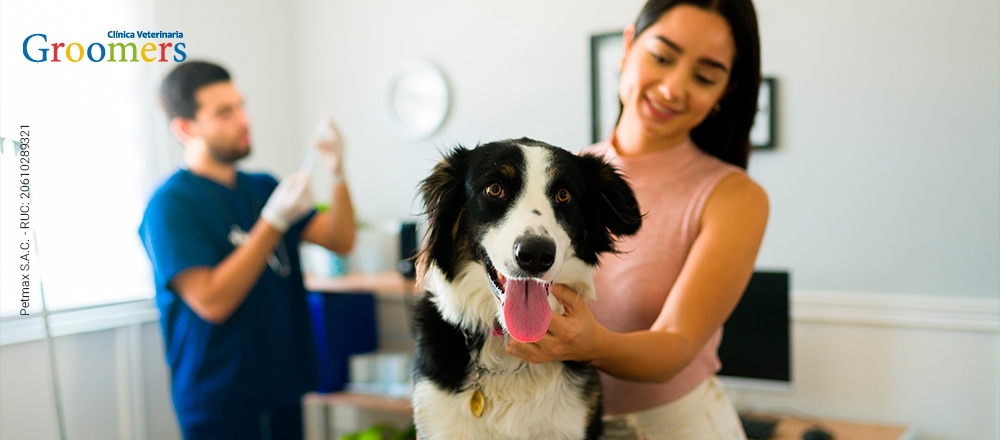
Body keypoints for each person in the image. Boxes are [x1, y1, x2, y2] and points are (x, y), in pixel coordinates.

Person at [506, 0, 769, 439]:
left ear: (727, 89)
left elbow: (676, 344)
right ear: (628, 46)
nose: (672, 88)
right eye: (662, 57)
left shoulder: (734, 197)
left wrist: (593, 343)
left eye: (704, 76)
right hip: (560, 423)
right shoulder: (563, 175)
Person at [138, 61, 357, 440]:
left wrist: (336, 172)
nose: (243, 120)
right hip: (220, 403)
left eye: (241, 105)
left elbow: (340, 239)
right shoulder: (170, 205)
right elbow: (212, 300)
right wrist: (272, 222)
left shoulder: (261, 185)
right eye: (224, 112)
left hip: (282, 389)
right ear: (186, 128)